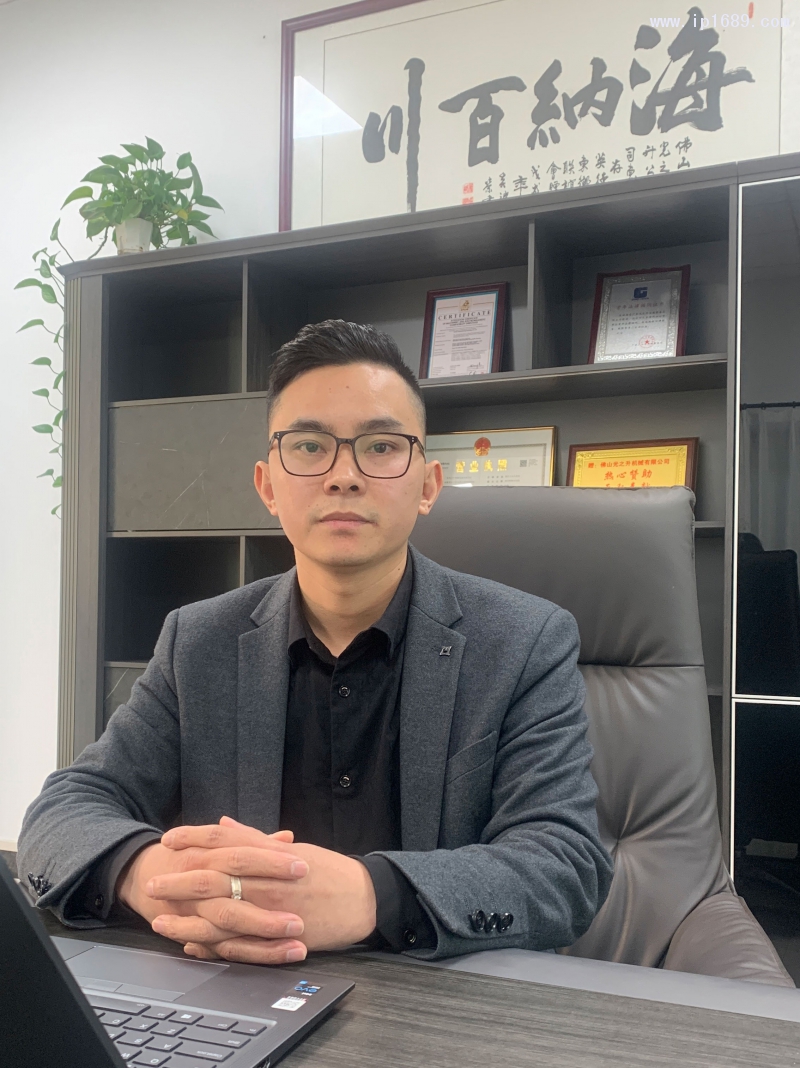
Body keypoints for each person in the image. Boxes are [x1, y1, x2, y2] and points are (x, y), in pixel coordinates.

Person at [18, 320, 613, 965]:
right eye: (309, 446)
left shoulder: (524, 641)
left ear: (428, 486)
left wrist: (371, 896)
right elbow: (64, 810)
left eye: (381, 446)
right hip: (238, 988)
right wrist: (149, 873)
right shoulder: (199, 641)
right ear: (267, 486)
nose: (343, 476)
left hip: (439, 997)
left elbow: (565, 864)